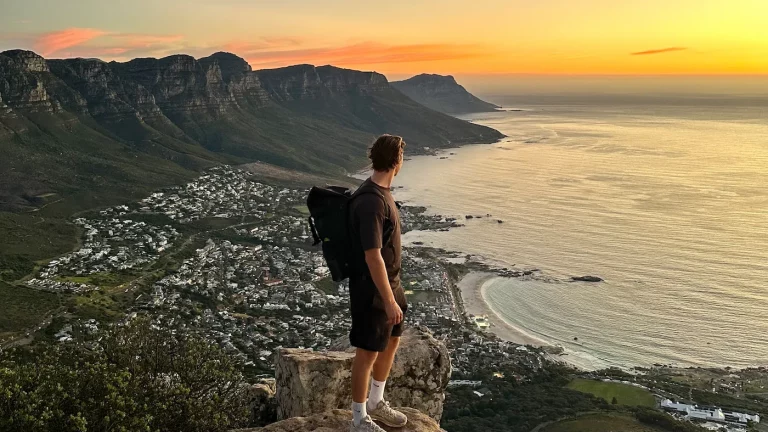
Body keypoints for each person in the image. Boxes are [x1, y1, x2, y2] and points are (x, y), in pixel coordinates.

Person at [347, 134, 409, 432]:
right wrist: (388, 300)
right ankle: (358, 419)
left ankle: (376, 401)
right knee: (367, 352)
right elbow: (372, 257)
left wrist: (395, 295)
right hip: (372, 291)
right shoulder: (371, 201)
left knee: (392, 340)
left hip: (391, 285)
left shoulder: (382, 192)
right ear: (397, 161)